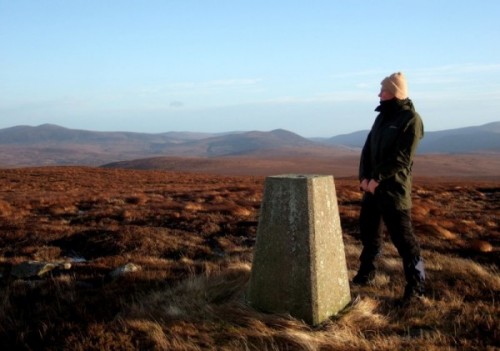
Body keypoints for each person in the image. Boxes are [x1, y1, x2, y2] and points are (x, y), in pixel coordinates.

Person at [353, 72, 426, 304]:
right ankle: (366, 274)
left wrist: (377, 178)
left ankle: (417, 285)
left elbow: (402, 158)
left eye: (383, 90)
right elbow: (367, 149)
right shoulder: (381, 118)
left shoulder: (411, 120)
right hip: (372, 189)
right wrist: (364, 177)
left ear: (394, 93)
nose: (379, 94)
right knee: (369, 233)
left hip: (394, 191)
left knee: (404, 240)